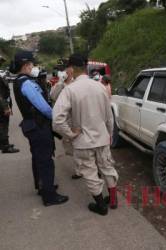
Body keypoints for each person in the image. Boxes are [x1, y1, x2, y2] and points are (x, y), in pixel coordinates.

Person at [53, 53, 118, 216]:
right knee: (107, 167)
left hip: (82, 141)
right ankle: (113, 200)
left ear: (71, 68)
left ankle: (101, 206)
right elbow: (109, 117)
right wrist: (109, 135)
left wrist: (70, 134)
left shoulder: (70, 90)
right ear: (85, 66)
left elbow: (57, 119)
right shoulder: (101, 87)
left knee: (89, 172)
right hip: (102, 137)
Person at [10, 50, 68, 206]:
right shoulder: (27, 83)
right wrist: (57, 118)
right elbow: (43, 107)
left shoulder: (19, 81)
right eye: (32, 64)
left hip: (32, 126)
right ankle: (49, 196)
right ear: (26, 65)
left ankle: (43, 186)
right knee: (45, 160)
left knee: (38, 158)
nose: (33, 67)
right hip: (39, 126)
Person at [50, 65, 83, 180]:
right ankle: (83, 167)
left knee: (81, 144)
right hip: (66, 119)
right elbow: (52, 96)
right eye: (67, 69)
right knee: (69, 146)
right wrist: (60, 82)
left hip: (78, 118)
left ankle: (81, 170)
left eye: (71, 68)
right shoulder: (61, 83)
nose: (69, 71)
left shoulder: (78, 82)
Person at [0, 57, 19, 153]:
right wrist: (6, 107)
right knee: (3, 125)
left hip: (2, 103)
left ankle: (3, 144)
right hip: (1, 105)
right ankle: (5, 146)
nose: (1, 63)